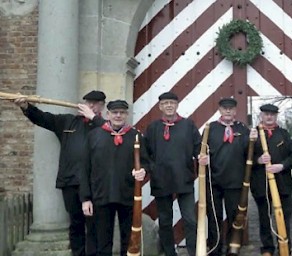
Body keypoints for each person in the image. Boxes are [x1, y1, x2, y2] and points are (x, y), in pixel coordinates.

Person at [14, 90, 106, 256]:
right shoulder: (67, 121)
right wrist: (26, 107)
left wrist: (94, 118)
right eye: (88, 102)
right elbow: (43, 118)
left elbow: (113, 136)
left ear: (102, 106)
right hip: (70, 181)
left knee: (94, 225)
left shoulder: (104, 126)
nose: (90, 106)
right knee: (76, 223)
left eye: (95, 103)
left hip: (94, 184)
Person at [79, 100, 148, 256]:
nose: (118, 115)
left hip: (128, 195)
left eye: (122, 112)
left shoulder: (136, 136)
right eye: (115, 112)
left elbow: (146, 162)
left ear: (127, 115)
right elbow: (84, 168)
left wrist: (143, 170)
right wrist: (85, 198)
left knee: (128, 239)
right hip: (101, 195)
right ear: (107, 114)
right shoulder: (94, 135)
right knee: (102, 242)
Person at [197, 97, 257, 256]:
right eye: (225, 108)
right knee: (214, 217)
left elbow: (249, 153)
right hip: (213, 181)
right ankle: (215, 247)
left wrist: (253, 141)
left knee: (233, 216)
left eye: (231, 108)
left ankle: (232, 248)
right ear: (220, 110)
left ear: (235, 110)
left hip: (236, 181)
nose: (228, 111)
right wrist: (202, 157)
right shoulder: (210, 128)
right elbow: (201, 150)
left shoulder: (243, 129)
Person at [144, 92, 201, 256]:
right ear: (160, 106)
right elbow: (145, 154)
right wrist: (151, 168)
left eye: (172, 103)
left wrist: (201, 156)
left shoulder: (189, 125)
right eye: (165, 103)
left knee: (190, 219)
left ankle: (194, 251)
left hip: (184, 178)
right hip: (161, 180)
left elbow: (198, 148)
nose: (169, 105)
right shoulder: (153, 127)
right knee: (165, 220)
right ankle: (169, 252)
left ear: (177, 105)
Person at [251, 104, 292, 256]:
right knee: (264, 219)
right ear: (261, 116)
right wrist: (258, 159)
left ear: (276, 116)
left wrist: (281, 166)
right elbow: (244, 157)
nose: (269, 117)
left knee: (284, 218)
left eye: (272, 114)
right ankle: (267, 248)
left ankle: (284, 247)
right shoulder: (253, 134)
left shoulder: (284, 134)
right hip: (261, 184)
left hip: (282, 183)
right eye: (266, 114)